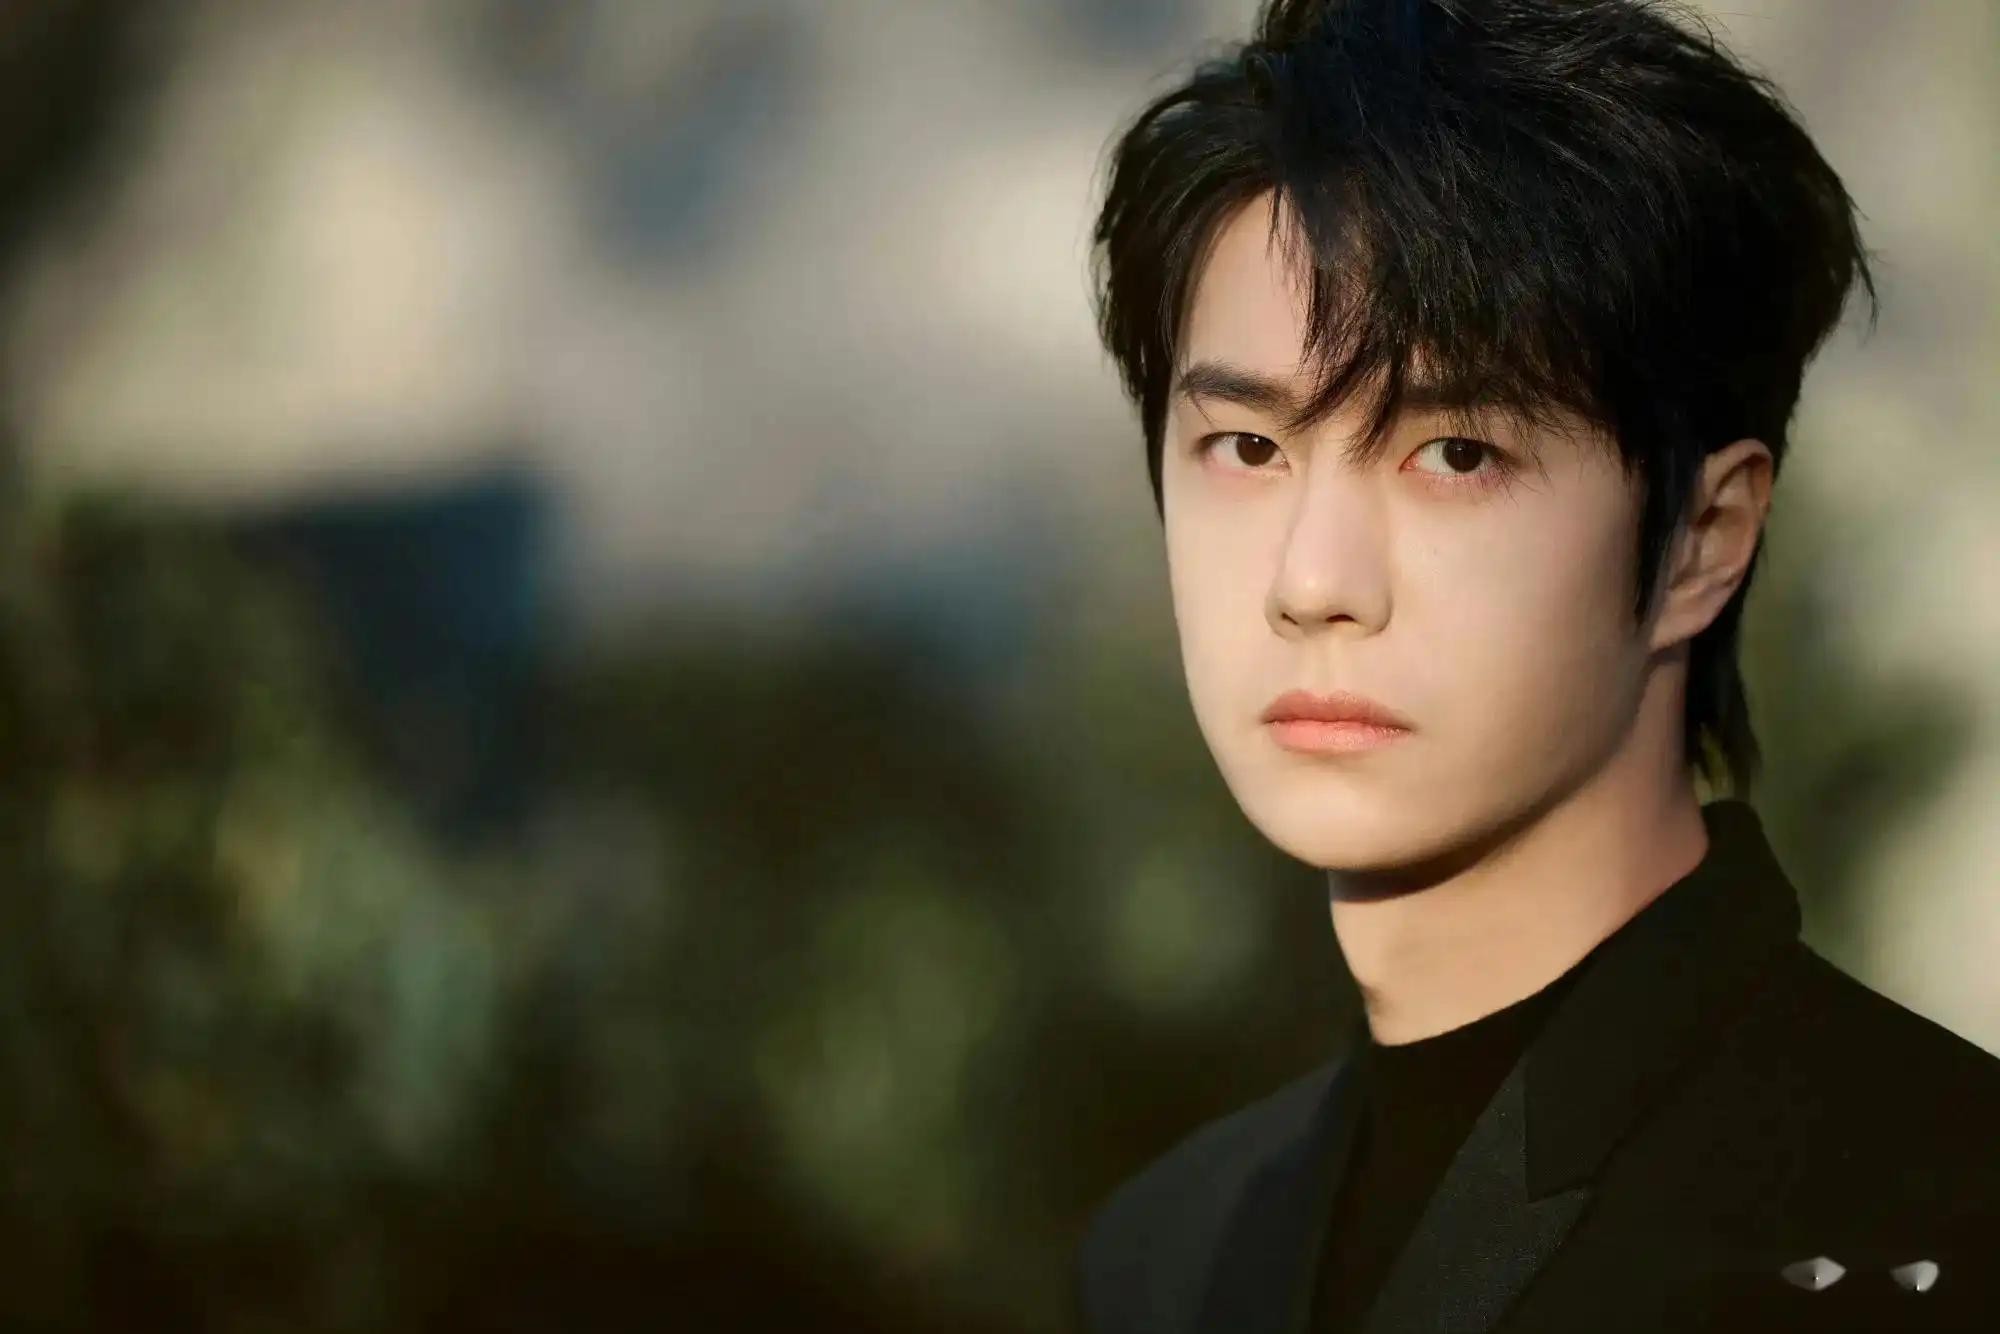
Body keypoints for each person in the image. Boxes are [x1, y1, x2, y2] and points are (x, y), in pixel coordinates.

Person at [1071, 1, 2000, 1331]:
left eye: (1455, 454)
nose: (1312, 582)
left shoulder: (1940, 1215)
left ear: (1702, 537)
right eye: (1249, 448)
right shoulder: (1163, 1252)